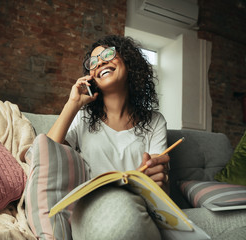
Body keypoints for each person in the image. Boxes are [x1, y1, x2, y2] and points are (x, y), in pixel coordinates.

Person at [25, 35, 170, 240]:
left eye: (108, 54)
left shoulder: (155, 121)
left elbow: (161, 191)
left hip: (139, 207)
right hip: (92, 209)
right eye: (93, 62)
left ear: (128, 62)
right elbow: (47, 155)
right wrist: (73, 104)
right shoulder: (83, 117)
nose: (100, 61)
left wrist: (160, 178)